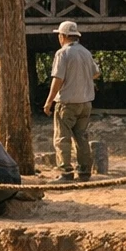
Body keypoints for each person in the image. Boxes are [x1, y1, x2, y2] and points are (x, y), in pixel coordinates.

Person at [43, 19, 99, 181]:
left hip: (67, 103)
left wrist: (49, 101)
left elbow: (58, 79)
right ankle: (84, 170)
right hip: (85, 103)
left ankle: (66, 171)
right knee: (81, 136)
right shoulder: (86, 53)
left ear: (63, 36)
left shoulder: (63, 53)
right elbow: (96, 73)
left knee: (62, 138)